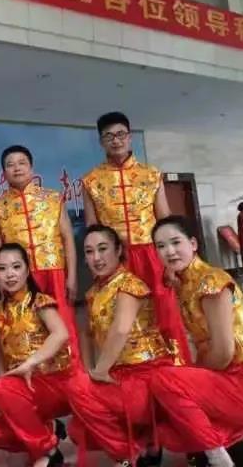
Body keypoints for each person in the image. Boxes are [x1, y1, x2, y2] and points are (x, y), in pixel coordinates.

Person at [149, 216, 243, 467]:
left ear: (193, 244)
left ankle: (219, 458)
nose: (169, 251)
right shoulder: (184, 284)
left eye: (175, 242)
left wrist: (190, 380)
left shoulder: (211, 281)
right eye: (161, 246)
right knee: (169, 430)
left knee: (165, 381)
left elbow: (224, 353)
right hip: (230, 378)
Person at [81, 111, 189, 362]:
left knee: (164, 314)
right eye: (109, 136)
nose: (116, 140)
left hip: (151, 254)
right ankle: (127, 370)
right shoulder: (90, 181)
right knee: (118, 319)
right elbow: (92, 226)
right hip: (115, 259)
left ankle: (176, 368)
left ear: (130, 137)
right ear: (101, 142)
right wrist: (98, 264)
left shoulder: (151, 175)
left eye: (121, 134)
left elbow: (164, 219)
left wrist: (170, 263)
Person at [67, 225, 174, 467]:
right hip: (120, 375)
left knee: (78, 390)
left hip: (147, 375)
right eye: (89, 252)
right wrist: (89, 372)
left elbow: (121, 329)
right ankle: (139, 447)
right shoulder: (94, 292)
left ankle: (131, 453)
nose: (96, 258)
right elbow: (86, 334)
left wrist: (98, 372)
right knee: (77, 427)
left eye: (103, 249)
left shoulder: (129, 284)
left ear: (118, 250)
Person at [0, 145, 79, 364]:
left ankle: (71, 375)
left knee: (63, 327)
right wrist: (1, 282)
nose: (16, 168)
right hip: (20, 279)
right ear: (4, 173)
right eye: (10, 165)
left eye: (22, 163)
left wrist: (72, 276)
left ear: (31, 167)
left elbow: (67, 238)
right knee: (23, 330)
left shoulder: (53, 199)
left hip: (53, 273)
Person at [0, 243, 72, 467]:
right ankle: (51, 430)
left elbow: (61, 334)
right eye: (2, 268)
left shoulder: (39, 301)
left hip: (52, 381)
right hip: (23, 388)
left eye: (16, 267)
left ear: (27, 269)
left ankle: (47, 452)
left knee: (4, 389)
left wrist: (31, 363)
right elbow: (3, 356)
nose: (10, 274)